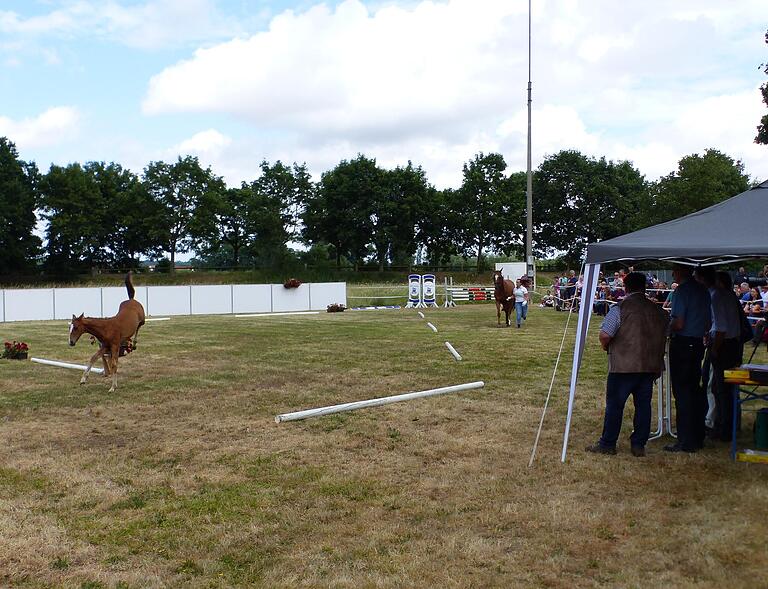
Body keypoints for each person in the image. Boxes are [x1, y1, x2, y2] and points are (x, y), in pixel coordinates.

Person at [586, 272, 669, 457]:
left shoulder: (620, 309)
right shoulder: (658, 311)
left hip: (623, 366)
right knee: (643, 406)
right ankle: (639, 444)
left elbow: (605, 334)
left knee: (615, 406)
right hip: (649, 365)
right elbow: (666, 330)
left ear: (626, 286)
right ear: (645, 287)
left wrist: (605, 346)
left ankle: (608, 443)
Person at [667, 265, 711, 453]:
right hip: (697, 343)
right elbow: (709, 321)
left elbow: (678, 323)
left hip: (683, 343)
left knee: (682, 392)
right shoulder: (703, 290)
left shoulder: (681, 292)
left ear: (679, 272)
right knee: (694, 390)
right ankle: (697, 435)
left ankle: (685, 440)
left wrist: (665, 326)